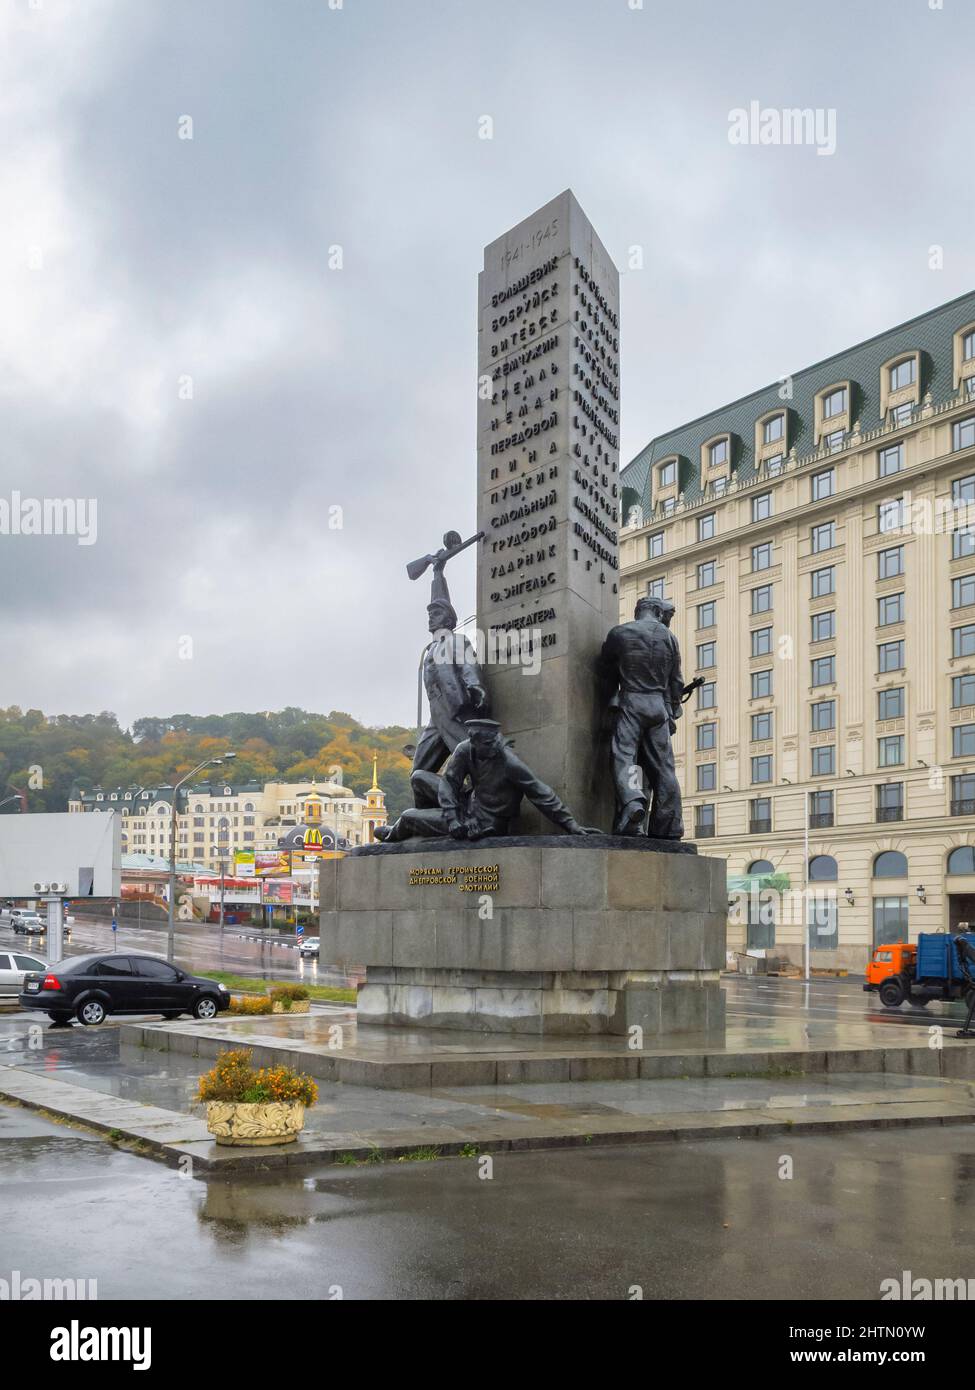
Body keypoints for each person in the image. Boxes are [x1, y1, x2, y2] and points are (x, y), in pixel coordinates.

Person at [377, 719, 599, 842]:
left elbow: (541, 793)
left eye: (495, 743)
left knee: (407, 817)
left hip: (486, 823)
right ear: (475, 741)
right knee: (418, 777)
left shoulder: (509, 762)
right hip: (467, 806)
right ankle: (435, 825)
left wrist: (572, 825)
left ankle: (394, 834)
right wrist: (453, 818)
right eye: (487, 744)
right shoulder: (466, 750)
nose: (493, 747)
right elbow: (448, 783)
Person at [598, 595, 685, 838]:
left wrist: (610, 699)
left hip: (632, 700)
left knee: (625, 756)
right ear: (657, 612)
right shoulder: (670, 638)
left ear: (639, 611)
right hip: (658, 706)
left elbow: (604, 670)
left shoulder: (620, 633)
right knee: (664, 768)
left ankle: (633, 802)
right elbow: (676, 680)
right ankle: (669, 826)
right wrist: (673, 710)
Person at [410, 560, 489, 806]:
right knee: (418, 771)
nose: (431, 618)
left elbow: (468, 665)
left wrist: (476, 687)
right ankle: (426, 815)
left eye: (436, 614)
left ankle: (477, 806)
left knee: (476, 766)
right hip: (436, 718)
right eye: (429, 614)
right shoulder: (432, 647)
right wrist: (437, 572)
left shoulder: (455, 641)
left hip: (456, 712)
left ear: (448, 619)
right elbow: (440, 598)